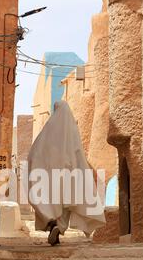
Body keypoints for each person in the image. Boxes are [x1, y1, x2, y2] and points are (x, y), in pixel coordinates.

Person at [28, 100, 106, 246]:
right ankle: (59, 228)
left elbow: (35, 153)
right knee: (65, 204)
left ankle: (52, 224)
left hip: (47, 177)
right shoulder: (72, 132)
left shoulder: (47, 131)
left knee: (49, 202)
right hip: (69, 174)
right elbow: (78, 155)